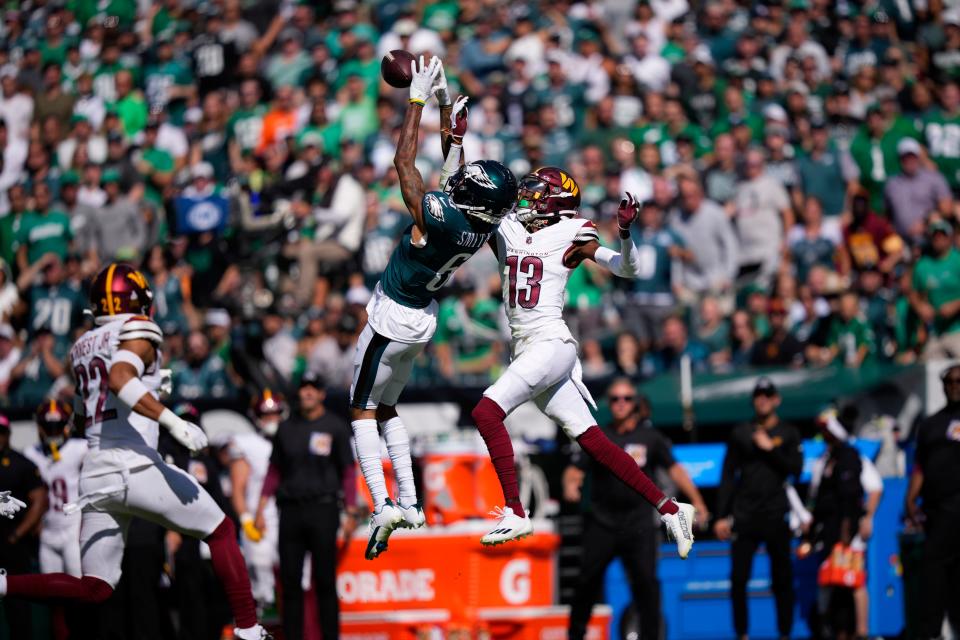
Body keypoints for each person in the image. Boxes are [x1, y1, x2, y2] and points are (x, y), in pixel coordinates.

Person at [0, 263, 271, 640]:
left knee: (95, 588)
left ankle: (3, 585)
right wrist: (171, 421)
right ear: (138, 298)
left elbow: (82, 417)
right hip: (135, 464)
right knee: (222, 531)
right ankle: (248, 629)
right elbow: (120, 377)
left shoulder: (81, 346)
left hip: (95, 471)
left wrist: (149, 387)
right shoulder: (138, 328)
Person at [463, 160, 696, 551]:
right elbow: (462, 192)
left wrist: (623, 233)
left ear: (554, 202)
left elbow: (627, 268)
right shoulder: (508, 228)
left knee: (485, 412)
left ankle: (516, 511)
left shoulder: (573, 232)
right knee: (595, 442)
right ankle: (671, 509)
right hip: (527, 348)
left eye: (536, 192)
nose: (525, 197)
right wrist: (453, 142)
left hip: (550, 343)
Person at [348, 57, 517, 558]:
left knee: (361, 411)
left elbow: (406, 167)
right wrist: (451, 118)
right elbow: (454, 180)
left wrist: (416, 101)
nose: (463, 184)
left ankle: (382, 504)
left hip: (392, 314)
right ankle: (413, 501)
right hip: (421, 320)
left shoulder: (445, 216)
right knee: (389, 406)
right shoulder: (481, 225)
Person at [565, 379, 708, 640]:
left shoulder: (650, 437)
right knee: (586, 581)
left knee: (647, 586)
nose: (621, 403)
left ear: (635, 403)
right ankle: (575, 635)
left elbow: (675, 470)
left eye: (627, 398)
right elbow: (575, 470)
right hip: (602, 522)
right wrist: (571, 485)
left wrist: (697, 501)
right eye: (615, 398)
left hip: (638, 524)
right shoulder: (598, 435)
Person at [256, 372, 356, 640]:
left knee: (324, 581)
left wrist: (350, 509)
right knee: (289, 583)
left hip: (323, 509)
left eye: (313, 388)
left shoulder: (335, 427)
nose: (307, 393)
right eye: (303, 388)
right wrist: (260, 508)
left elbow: (347, 471)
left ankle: (330, 636)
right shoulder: (287, 428)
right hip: (290, 510)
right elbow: (274, 470)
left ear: (322, 394)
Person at [715, 377, 803, 640]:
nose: (762, 399)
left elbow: (796, 470)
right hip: (745, 514)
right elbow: (728, 475)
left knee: (782, 579)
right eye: (758, 395)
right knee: (739, 579)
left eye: (768, 394)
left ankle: (784, 634)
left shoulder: (789, 432)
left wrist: (770, 449)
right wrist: (721, 516)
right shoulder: (741, 432)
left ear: (777, 399)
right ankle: (742, 634)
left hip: (775, 513)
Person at [906, 364, 960, 639]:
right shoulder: (930, 424)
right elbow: (920, 467)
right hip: (936, 511)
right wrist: (910, 497)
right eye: (949, 381)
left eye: (959, 381)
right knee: (933, 574)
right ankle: (931, 632)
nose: (954, 386)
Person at [230, 389, 288, 611]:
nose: (272, 419)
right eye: (266, 415)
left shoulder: (292, 438)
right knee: (260, 573)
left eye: (275, 414)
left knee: (294, 576)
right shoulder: (246, 443)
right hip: (258, 520)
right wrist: (245, 520)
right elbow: (237, 488)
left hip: (288, 516)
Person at [23, 400, 87, 576]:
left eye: (57, 426)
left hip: (72, 530)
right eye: (47, 425)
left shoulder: (79, 449)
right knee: (51, 591)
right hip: (47, 531)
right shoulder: (31, 454)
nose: (52, 431)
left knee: (78, 586)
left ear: (67, 425)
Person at [0, 412, 47, 638]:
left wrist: (17, 534)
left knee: (18, 605)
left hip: (13, 545)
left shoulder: (21, 464)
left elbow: (39, 500)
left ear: (7, 435)